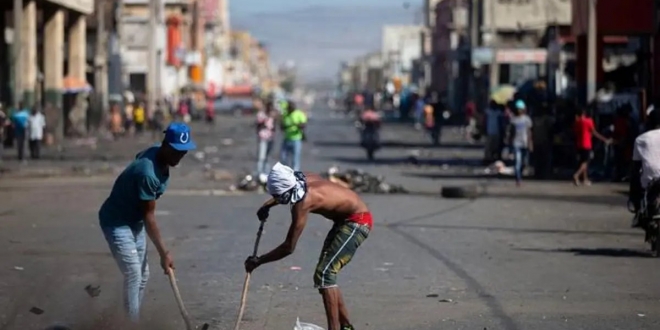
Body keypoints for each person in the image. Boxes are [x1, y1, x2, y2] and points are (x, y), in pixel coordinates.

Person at [245, 162, 372, 330]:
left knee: (325, 274)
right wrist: (267, 205)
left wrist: (259, 261)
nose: (281, 201)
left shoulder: (303, 203)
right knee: (324, 275)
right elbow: (284, 192)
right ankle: (346, 326)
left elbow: (289, 247)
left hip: (358, 222)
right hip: (344, 221)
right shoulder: (302, 177)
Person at [98, 122, 196, 322]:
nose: (180, 156)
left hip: (134, 219)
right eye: (177, 151)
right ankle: (131, 325)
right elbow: (149, 216)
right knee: (134, 273)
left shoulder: (153, 154)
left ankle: (130, 319)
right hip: (116, 221)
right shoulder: (148, 173)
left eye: (184, 152)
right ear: (166, 145)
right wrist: (164, 253)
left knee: (142, 275)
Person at [629, 108, 660, 228]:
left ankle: (638, 212)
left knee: (635, 179)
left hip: (649, 181)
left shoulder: (641, 139)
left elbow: (636, 166)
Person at [572, 107, 610, 186]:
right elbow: (594, 132)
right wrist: (604, 139)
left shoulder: (577, 122)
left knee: (583, 161)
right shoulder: (588, 121)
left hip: (579, 144)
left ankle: (585, 179)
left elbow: (575, 132)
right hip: (586, 144)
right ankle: (577, 174)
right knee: (586, 162)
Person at [508, 100, 533, 186]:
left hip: (525, 143)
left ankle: (520, 174)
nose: (519, 110)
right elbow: (511, 133)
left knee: (524, 162)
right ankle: (518, 179)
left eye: (520, 109)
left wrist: (530, 143)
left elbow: (529, 132)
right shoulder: (513, 120)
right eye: (518, 109)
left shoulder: (527, 120)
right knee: (517, 162)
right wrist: (510, 145)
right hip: (516, 143)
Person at [280, 101, 307, 171]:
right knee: (283, 157)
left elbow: (303, 125)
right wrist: (285, 126)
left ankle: (295, 173)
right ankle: (286, 172)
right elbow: (281, 126)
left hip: (296, 139)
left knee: (295, 158)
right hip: (287, 138)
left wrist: (296, 124)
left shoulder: (299, 114)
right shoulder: (285, 115)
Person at [256, 101, 277, 176]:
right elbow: (258, 126)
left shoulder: (272, 116)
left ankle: (267, 173)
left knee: (268, 157)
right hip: (263, 137)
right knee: (261, 157)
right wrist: (265, 120)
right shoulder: (261, 115)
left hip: (270, 138)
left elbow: (274, 127)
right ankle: (259, 173)